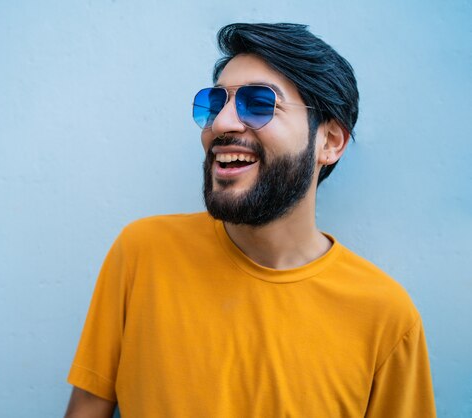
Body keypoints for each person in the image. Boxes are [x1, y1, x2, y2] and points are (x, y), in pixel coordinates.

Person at [64, 23, 436, 417]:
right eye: (214, 104)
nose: (221, 124)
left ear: (329, 142)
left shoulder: (385, 317)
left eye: (259, 104)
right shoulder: (142, 253)